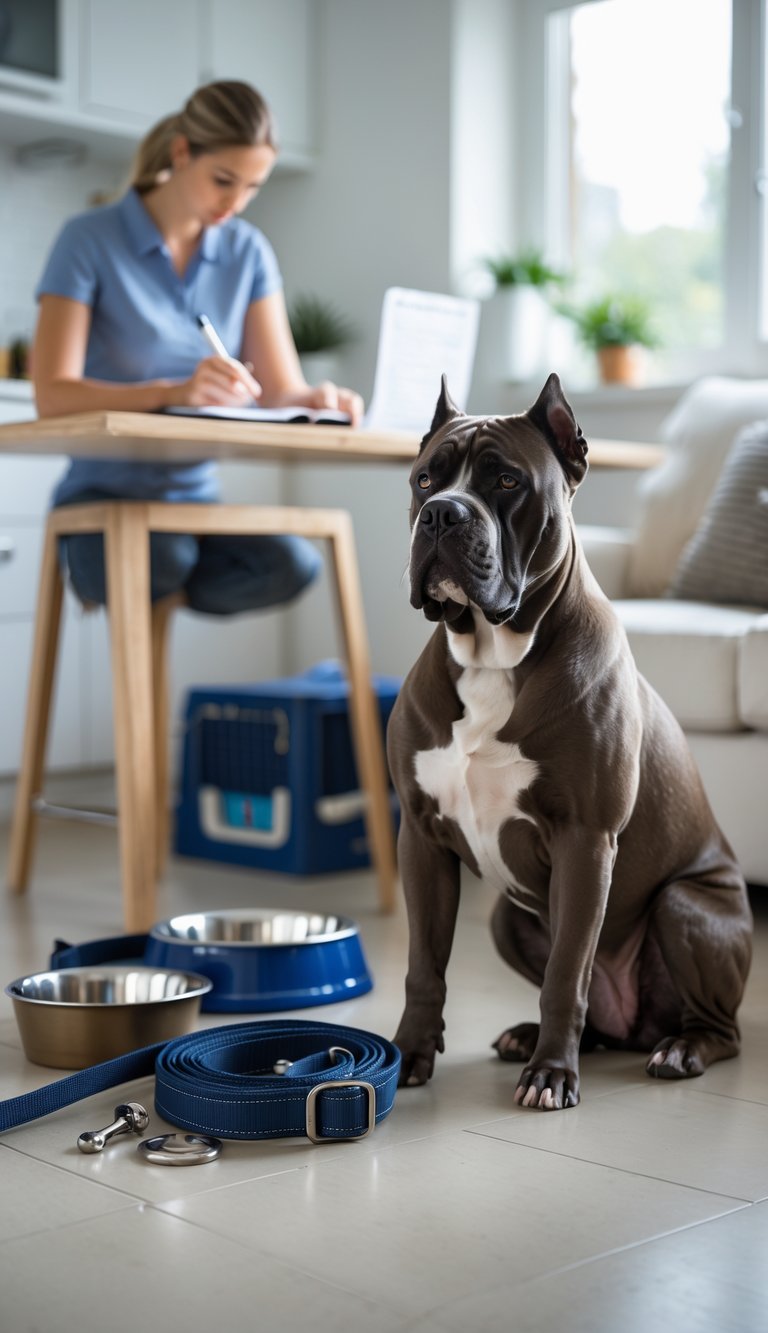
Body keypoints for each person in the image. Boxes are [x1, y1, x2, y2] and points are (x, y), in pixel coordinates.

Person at [32, 79, 363, 612]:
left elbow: (279, 393)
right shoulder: (88, 239)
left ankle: (162, 591)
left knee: (290, 566)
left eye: (253, 187)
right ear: (182, 152)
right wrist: (176, 391)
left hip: (195, 505)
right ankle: (148, 584)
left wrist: (319, 400)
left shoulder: (248, 252)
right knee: (160, 555)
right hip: (100, 499)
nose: (235, 203)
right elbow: (51, 395)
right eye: (224, 180)